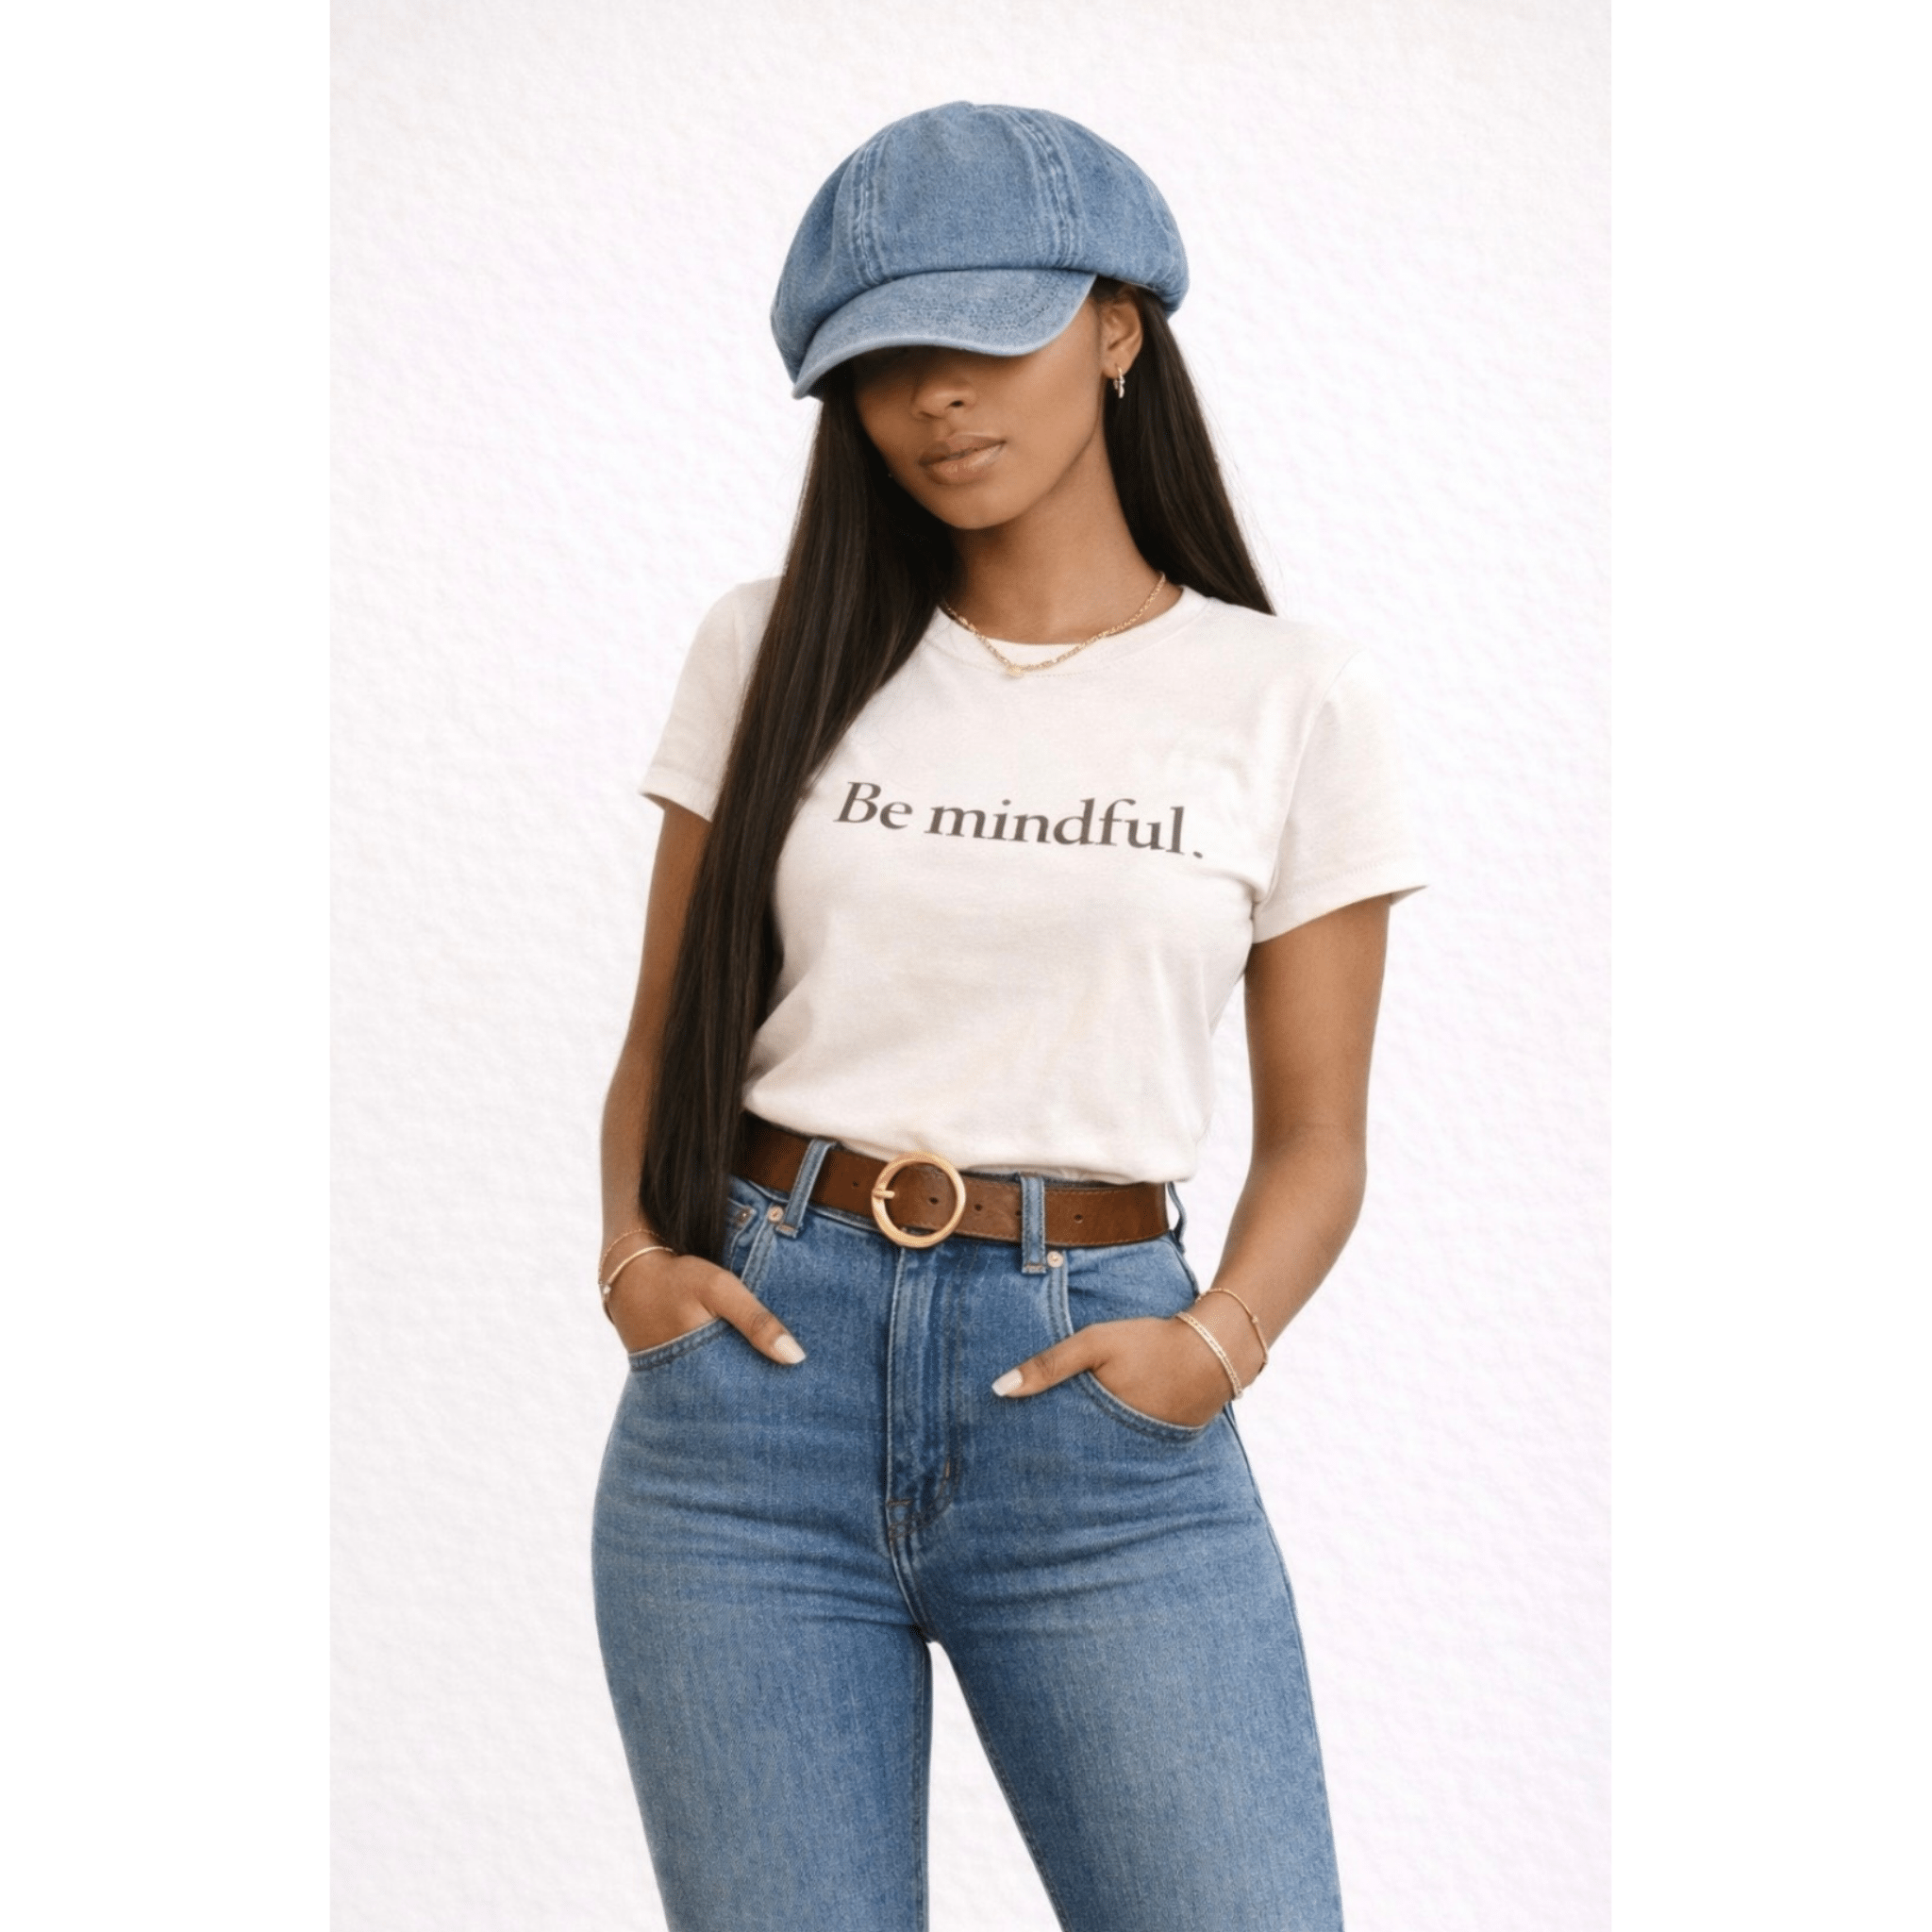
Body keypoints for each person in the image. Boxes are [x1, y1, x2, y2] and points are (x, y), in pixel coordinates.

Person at [590, 100, 1427, 1932]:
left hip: (1097, 1415)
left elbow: (1319, 1138)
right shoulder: (767, 644)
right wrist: (635, 1262)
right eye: (884, 363)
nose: (936, 401)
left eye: (984, 339)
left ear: (1117, 327)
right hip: (749, 1415)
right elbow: (662, 1030)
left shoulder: (1289, 697)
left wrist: (1215, 1346)